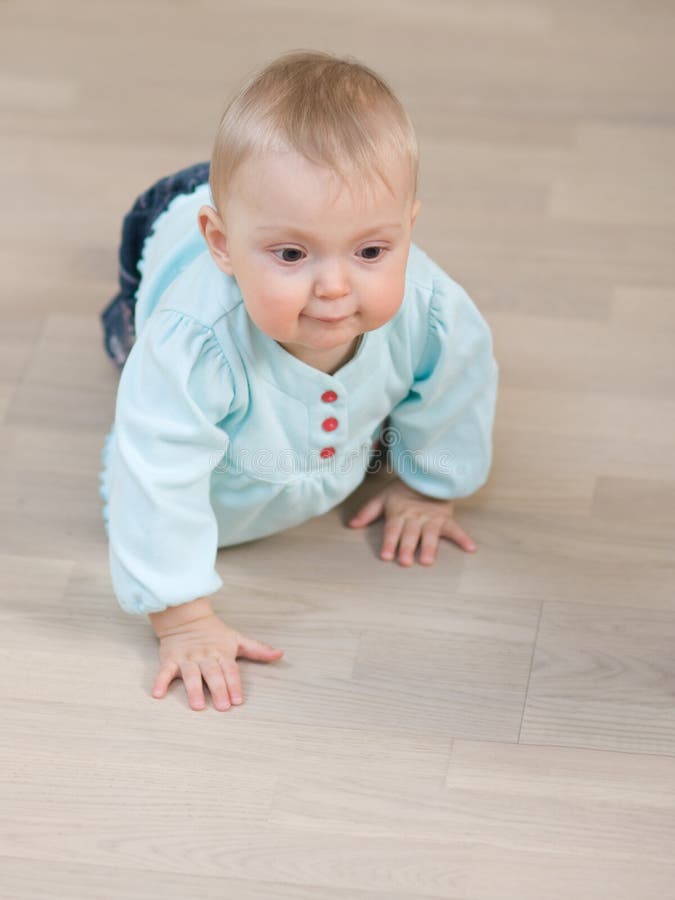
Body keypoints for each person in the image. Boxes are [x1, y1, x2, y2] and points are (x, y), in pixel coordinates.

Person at [98, 50, 499, 713]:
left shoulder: (430, 303)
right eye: (291, 254)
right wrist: (183, 618)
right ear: (221, 245)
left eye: (372, 251)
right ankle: (133, 300)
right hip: (164, 223)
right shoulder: (191, 341)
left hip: (245, 205)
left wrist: (429, 484)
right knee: (131, 352)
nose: (336, 287)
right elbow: (153, 467)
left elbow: (458, 383)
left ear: (408, 228)